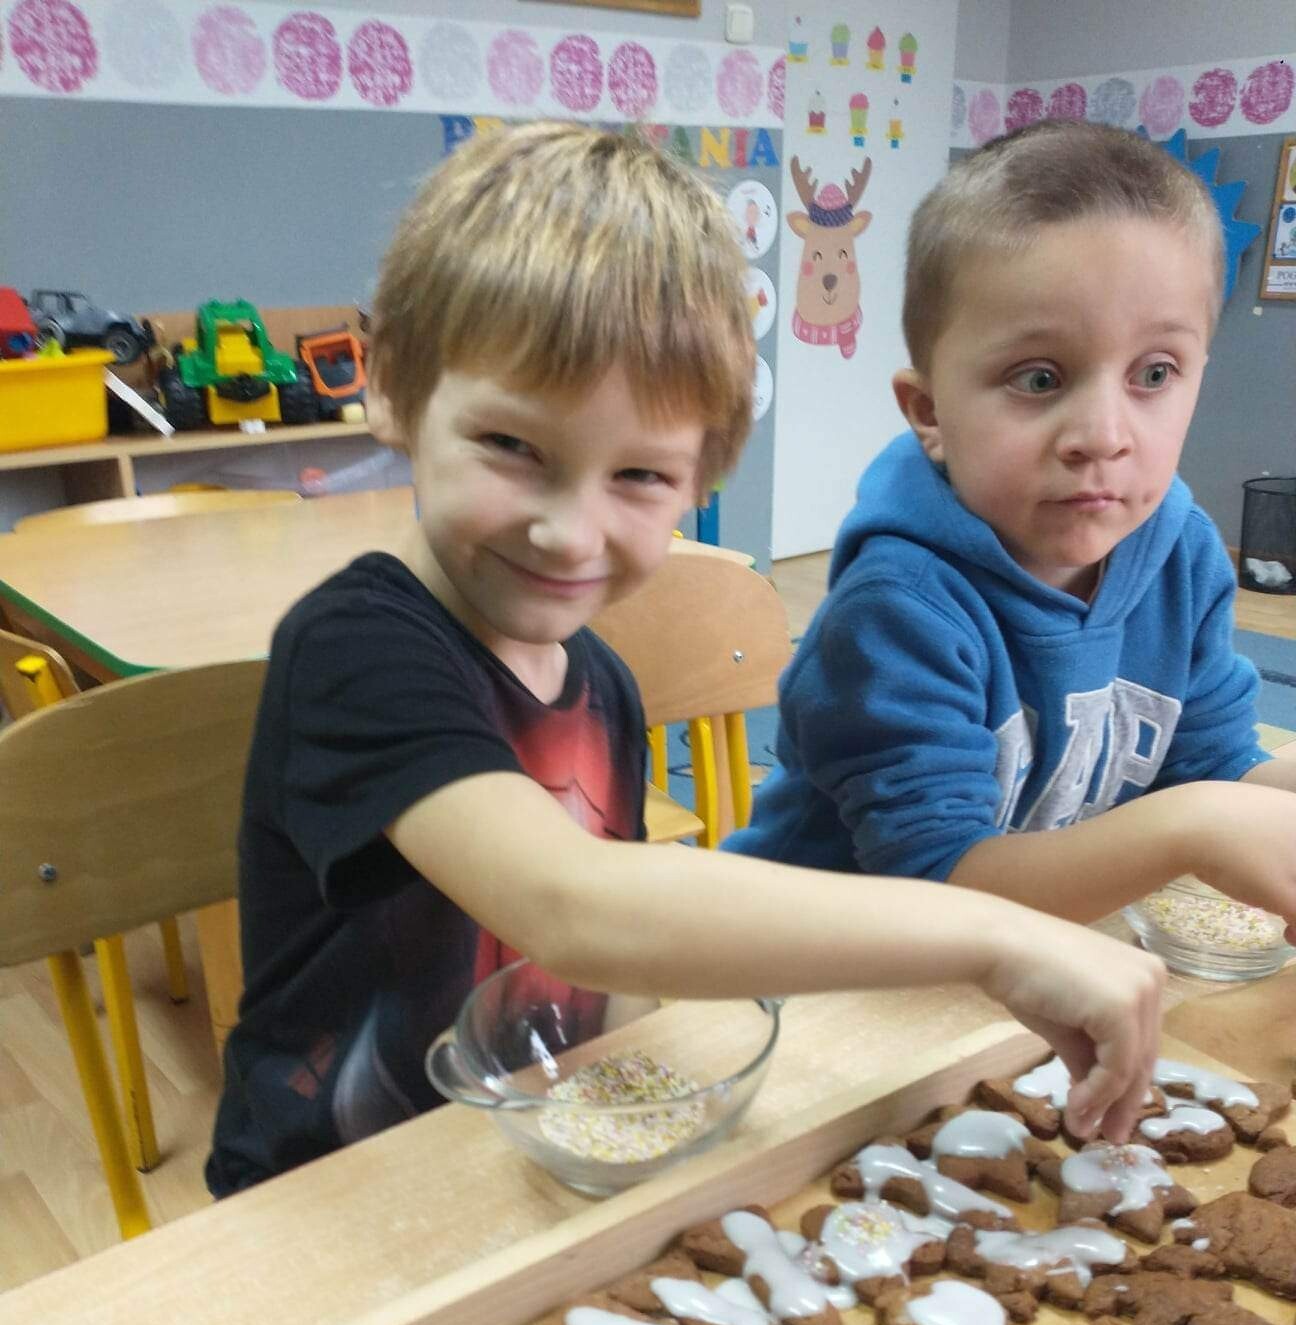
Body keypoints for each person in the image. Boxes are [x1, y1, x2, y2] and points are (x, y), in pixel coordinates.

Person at [207, 122, 1163, 1199]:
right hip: (328, 1192)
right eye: (512, 447)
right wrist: (993, 936)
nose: (569, 533)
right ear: (391, 387)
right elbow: (576, 908)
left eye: (640, 477)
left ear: (701, 478)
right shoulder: (356, 647)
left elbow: (608, 976)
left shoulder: (598, 682)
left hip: (523, 1148)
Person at [727, 120, 1296, 938]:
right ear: (930, 412)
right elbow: (939, 887)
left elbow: (1211, 765)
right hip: (814, 971)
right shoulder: (899, 608)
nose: (1103, 435)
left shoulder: (1183, 556)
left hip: (1016, 961)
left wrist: (1228, 806)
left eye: (1155, 373)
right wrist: (1193, 826)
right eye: (1039, 378)